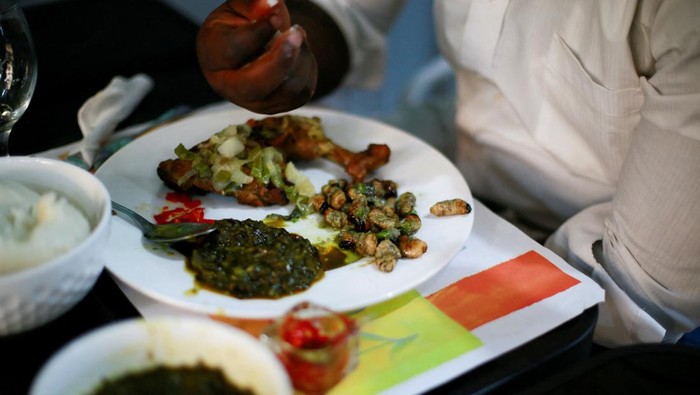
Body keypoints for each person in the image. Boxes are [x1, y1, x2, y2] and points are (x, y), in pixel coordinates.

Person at [196, 0, 700, 347]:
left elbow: (642, 296)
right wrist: (280, 50)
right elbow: (345, 13)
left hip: (600, 270)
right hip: (457, 155)